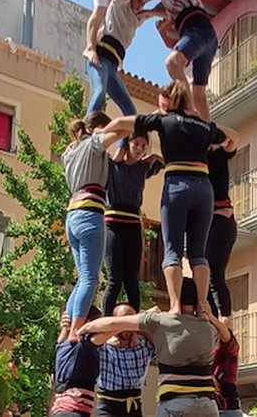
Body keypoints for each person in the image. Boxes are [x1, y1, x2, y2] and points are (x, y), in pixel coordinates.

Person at [102, 81, 238, 316]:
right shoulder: (204, 126)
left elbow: (124, 122)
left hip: (177, 185)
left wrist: (99, 135)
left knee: (173, 250)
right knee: (198, 253)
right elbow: (234, 138)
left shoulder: (163, 120)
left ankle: (175, 304)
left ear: (169, 102)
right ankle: (203, 304)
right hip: (203, 188)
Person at [79, 278, 220, 417]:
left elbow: (111, 324)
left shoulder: (160, 324)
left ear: (173, 296)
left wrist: (81, 329)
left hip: (174, 404)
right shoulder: (210, 329)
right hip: (208, 404)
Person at [62, 111, 130, 342]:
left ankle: (66, 328)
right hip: (90, 213)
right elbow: (122, 131)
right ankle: (74, 332)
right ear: (97, 128)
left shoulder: (69, 152)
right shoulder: (93, 143)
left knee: (82, 279)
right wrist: (125, 123)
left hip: (72, 216)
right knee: (90, 279)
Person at [118, 0, 217, 120]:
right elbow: (171, 11)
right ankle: (207, 133)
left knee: (172, 63)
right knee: (199, 93)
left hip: (197, 29)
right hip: (207, 34)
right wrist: (149, 13)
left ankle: (189, 111)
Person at [103, 133, 164, 315]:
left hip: (133, 225)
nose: (139, 148)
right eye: (136, 143)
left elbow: (166, 161)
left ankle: (135, 322)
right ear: (127, 143)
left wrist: (154, 156)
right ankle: (106, 321)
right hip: (113, 224)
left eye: (144, 146)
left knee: (132, 280)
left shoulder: (142, 167)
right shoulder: (112, 164)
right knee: (115, 279)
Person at [85, 0, 157, 115]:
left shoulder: (136, 19)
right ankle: (85, 131)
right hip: (100, 58)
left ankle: (126, 136)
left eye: (143, 3)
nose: (140, 5)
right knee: (100, 92)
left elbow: (162, 11)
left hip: (113, 66)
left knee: (130, 111)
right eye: (138, 0)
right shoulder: (119, 4)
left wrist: (149, 9)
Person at [96, 303, 156, 417]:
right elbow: (89, 334)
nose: (126, 326)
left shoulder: (143, 347)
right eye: (122, 321)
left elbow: (161, 347)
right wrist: (111, 333)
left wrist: (138, 329)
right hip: (108, 406)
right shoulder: (102, 347)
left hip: (133, 406)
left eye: (130, 321)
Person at [50, 307, 109, 417]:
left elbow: (60, 340)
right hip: (72, 411)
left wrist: (65, 327)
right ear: (89, 324)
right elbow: (112, 328)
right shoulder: (84, 344)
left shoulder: (65, 344)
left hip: (64, 410)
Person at [206, 138, 240, 319]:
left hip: (221, 216)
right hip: (207, 220)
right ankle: (212, 318)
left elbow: (232, 144)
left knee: (214, 273)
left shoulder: (214, 152)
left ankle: (225, 318)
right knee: (204, 274)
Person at [207, 314, 242, 417]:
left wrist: (212, 318)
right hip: (213, 409)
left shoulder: (230, 351)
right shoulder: (207, 354)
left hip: (228, 410)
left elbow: (227, 338)